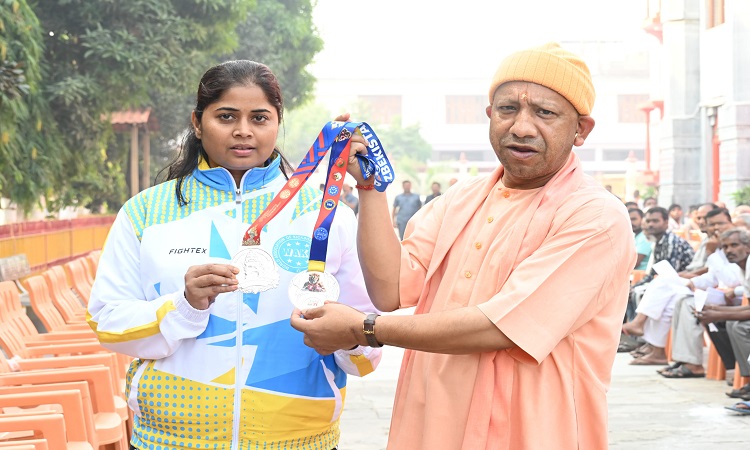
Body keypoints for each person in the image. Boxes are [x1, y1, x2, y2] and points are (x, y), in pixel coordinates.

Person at [291, 42, 635, 449]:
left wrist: (362, 329)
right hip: (431, 428)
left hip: (531, 434)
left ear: (581, 130)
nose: (522, 127)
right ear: (490, 116)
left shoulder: (596, 218)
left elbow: (499, 326)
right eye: (508, 109)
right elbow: (390, 289)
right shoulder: (461, 198)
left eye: (544, 113)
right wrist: (369, 187)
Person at [86, 61, 381, 450]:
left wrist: (345, 339)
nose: (243, 130)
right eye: (226, 116)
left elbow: (366, 348)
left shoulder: (327, 216)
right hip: (169, 441)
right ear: (197, 122)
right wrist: (183, 306)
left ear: (278, 123)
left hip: (300, 441)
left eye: (259, 117)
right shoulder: (145, 213)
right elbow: (108, 321)